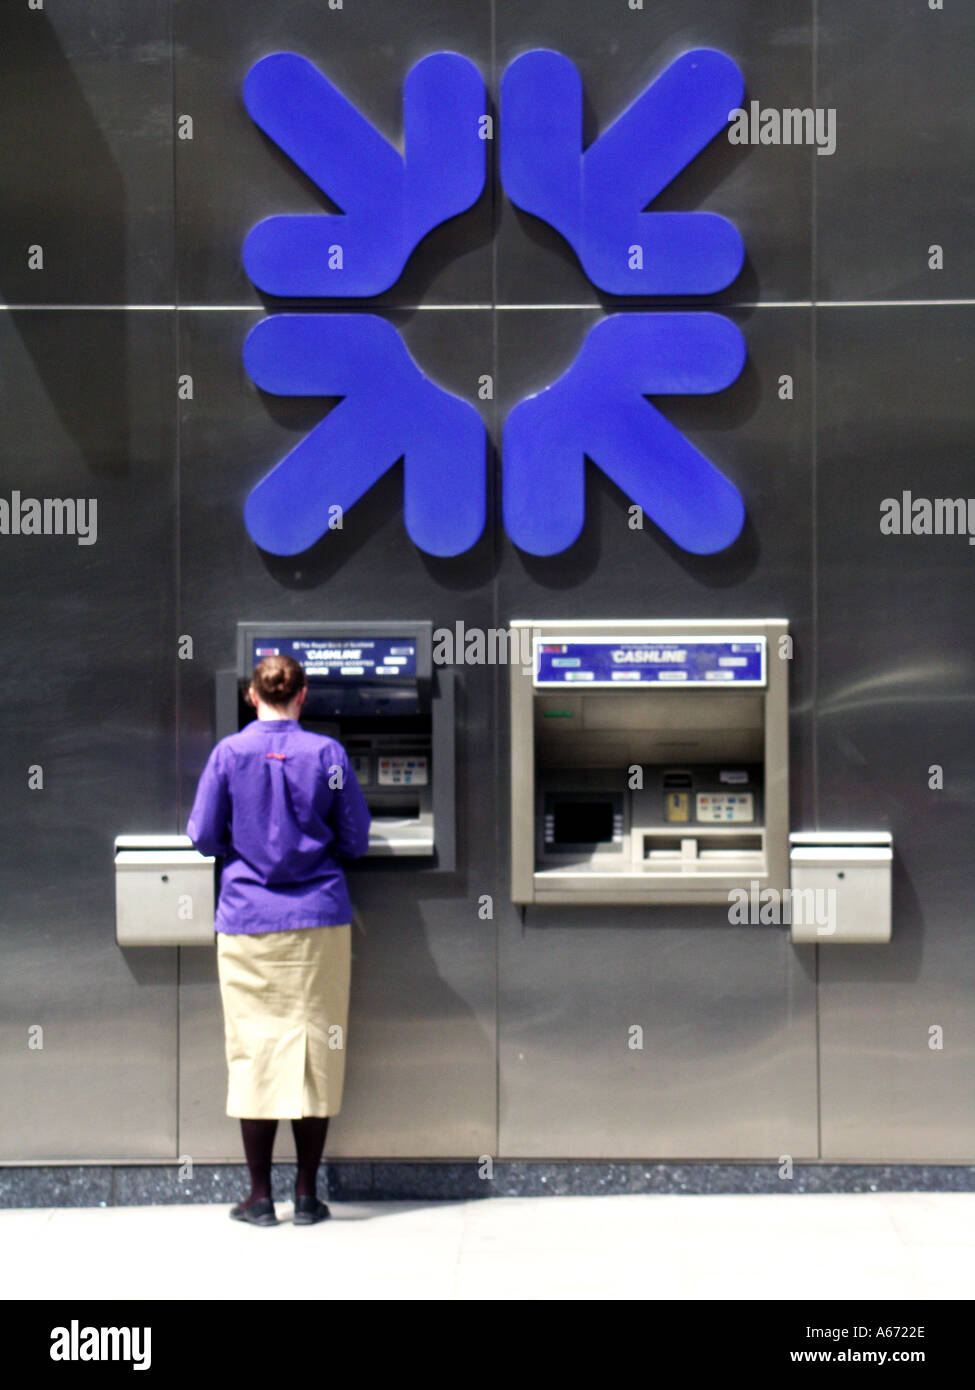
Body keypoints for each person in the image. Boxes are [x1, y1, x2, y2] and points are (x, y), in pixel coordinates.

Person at [186, 654, 370, 1227]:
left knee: (254, 1051)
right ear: (303, 696)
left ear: (251, 696)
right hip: (319, 921)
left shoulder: (227, 755)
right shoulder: (331, 757)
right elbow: (356, 836)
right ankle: (310, 1195)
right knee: (317, 1048)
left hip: (246, 922)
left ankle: (260, 1197)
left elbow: (202, 835)